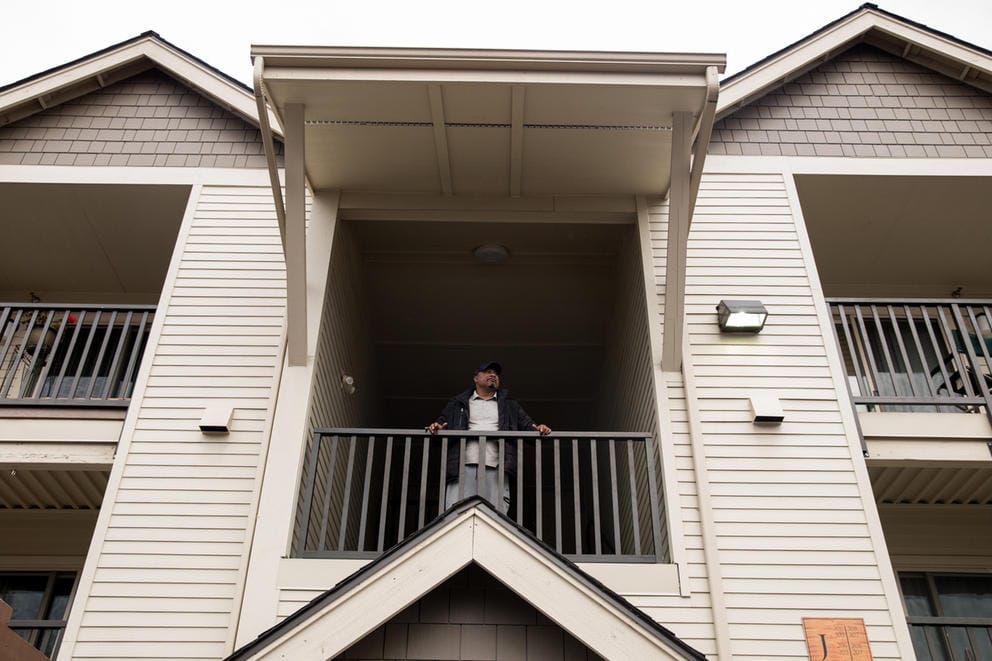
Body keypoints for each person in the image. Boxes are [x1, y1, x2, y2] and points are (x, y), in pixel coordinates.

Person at [426, 361, 551, 511]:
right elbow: (440, 426)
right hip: (462, 466)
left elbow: (530, 429)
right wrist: (437, 428)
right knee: (457, 513)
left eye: (496, 373)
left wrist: (540, 429)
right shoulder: (457, 403)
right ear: (476, 378)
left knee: (496, 515)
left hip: (497, 466)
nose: (493, 375)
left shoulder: (510, 405)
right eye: (487, 371)